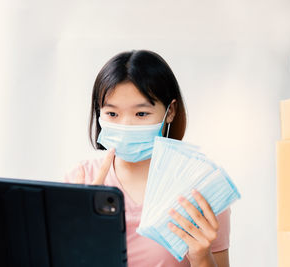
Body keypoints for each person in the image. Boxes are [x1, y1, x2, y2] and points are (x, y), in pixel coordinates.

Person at [65, 50, 231, 267]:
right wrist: (78, 241)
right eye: (112, 114)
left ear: (170, 111)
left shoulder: (201, 187)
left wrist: (201, 256)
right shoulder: (80, 181)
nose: (126, 126)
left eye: (141, 114)